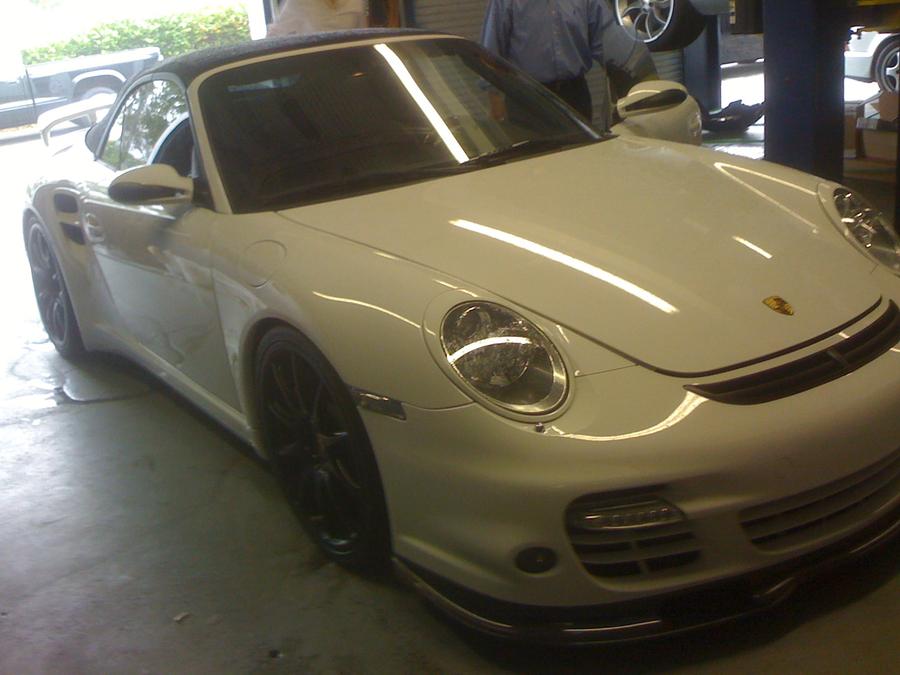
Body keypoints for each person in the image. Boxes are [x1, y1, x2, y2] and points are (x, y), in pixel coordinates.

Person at [480, 0, 657, 124]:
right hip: (528, 99)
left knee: (579, 161)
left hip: (574, 96)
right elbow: (491, 51)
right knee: (533, 164)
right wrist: (495, 102)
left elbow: (609, 42)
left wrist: (643, 78)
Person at [267, 0, 368, 37]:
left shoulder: (357, 1)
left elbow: (363, 35)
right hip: (313, 68)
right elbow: (274, 37)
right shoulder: (299, 2)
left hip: (349, 67)